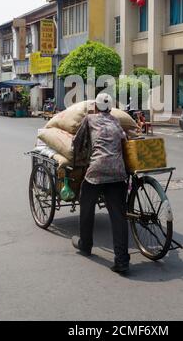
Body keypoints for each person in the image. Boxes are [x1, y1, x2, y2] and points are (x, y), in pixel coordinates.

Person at [72, 93, 130, 274]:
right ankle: (122, 261)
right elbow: (124, 142)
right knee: (119, 216)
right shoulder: (116, 122)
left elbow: (78, 142)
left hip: (97, 170)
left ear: (95, 107)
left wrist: (76, 160)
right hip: (118, 172)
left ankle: (85, 245)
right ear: (111, 108)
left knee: (86, 205)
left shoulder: (89, 119)